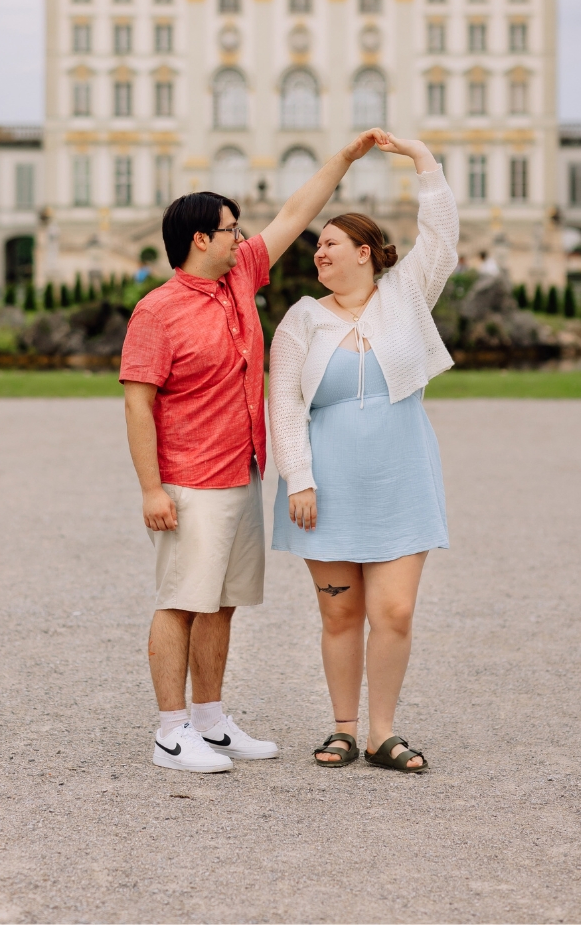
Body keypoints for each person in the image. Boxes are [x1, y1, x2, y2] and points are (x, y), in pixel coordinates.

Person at [120, 129, 388, 774]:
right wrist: (152, 489)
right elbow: (136, 403)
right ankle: (169, 729)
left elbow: (296, 211)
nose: (243, 237)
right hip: (188, 478)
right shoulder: (157, 311)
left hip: (242, 471)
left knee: (223, 601)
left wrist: (345, 159)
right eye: (231, 229)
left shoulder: (240, 275)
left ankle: (210, 720)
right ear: (199, 239)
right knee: (182, 600)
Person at [268, 134, 458, 774]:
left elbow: (442, 241)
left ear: (365, 253)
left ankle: (384, 734)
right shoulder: (300, 319)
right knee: (341, 610)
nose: (316, 252)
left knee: (395, 610)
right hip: (327, 482)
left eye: (329, 243)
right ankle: (344, 729)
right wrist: (298, 476)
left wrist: (421, 160)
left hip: (401, 472)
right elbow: (286, 403)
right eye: (315, 244)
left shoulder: (406, 297)